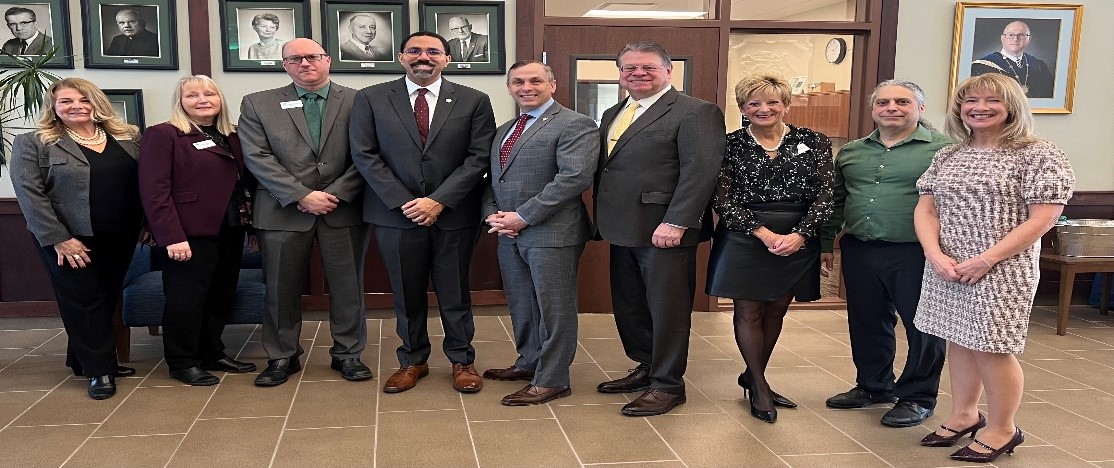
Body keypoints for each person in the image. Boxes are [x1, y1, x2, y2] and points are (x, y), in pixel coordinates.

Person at [914, 73, 1074, 463]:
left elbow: (1043, 218)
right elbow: (926, 209)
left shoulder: (1037, 153)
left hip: (1002, 268)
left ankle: (1003, 428)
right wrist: (934, 254)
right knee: (958, 338)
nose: (979, 108)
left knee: (991, 346)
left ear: (1011, 107)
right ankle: (964, 414)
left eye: (992, 101)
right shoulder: (949, 154)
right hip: (948, 265)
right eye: (970, 101)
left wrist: (987, 259)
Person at [350, 31, 495, 395]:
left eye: (433, 51)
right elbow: (365, 154)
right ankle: (412, 360)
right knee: (406, 292)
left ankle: (462, 359)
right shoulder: (371, 98)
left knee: (455, 291)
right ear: (401, 57)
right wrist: (405, 201)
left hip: (454, 214)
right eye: (414, 51)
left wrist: (439, 200)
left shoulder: (474, 100)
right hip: (395, 214)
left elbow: (478, 157)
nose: (423, 57)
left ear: (447, 59)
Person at [594, 41, 725, 417]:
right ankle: (647, 366)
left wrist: (677, 221)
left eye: (648, 67)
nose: (638, 73)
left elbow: (701, 171)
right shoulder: (614, 111)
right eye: (629, 68)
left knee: (667, 309)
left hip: (665, 230)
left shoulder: (695, 111)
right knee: (631, 304)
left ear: (669, 71)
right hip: (621, 227)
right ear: (620, 75)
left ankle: (668, 385)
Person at [239, 38, 370, 387]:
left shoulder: (360, 101)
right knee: (279, 289)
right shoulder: (257, 103)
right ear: (284, 65)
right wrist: (301, 195)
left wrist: (335, 194)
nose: (305, 63)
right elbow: (257, 157)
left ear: (328, 60)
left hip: (343, 208)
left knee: (348, 286)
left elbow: (369, 154)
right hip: (281, 210)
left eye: (312, 56)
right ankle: (281, 355)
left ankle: (348, 354)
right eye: (295, 59)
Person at [819, 80, 950, 427]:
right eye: (883, 102)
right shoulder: (852, 152)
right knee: (867, 321)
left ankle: (918, 396)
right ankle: (874, 386)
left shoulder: (945, 151)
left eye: (902, 102)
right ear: (873, 109)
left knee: (924, 325)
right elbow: (837, 200)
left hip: (917, 252)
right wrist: (826, 243)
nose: (892, 107)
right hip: (861, 248)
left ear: (920, 108)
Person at [706, 73, 833, 423]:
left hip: (798, 235)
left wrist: (801, 234)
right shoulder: (728, 144)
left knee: (776, 309)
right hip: (744, 235)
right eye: (754, 103)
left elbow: (826, 194)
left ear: (786, 105)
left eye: (772, 102)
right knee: (749, 311)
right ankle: (760, 388)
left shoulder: (814, 141)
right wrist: (762, 233)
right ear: (742, 108)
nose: (764, 109)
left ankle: (753, 375)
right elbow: (721, 199)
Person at [9, 78, 143, 400]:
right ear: (53, 107)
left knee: (105, 297)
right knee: (83, 299)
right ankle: (100, 371)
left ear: (97, 103)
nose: (76, 106)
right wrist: (59, 238)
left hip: (121, 234)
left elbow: (145, 184)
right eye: (66, 101)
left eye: (83, 99)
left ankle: (85, 360)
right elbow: (30, 194)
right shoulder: (35, 143)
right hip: (69, 238)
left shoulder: (128, 137)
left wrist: (147, 224)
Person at [481, 60, 598, 406]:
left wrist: (523, 217)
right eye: (518, 82)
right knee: (522, 302)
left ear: (552, 85)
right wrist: (492, 215)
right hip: (509, 232)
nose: (526, 87)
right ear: (509, 87)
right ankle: (529, 361)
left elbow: (573, 178)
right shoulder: (505, 129)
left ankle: (552, 379)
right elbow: (494, 180)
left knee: (554, 308)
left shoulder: (575, 124)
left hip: (553, 232)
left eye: (535, 81)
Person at [139, 75, 258, 386]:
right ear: (180, 101)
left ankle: (211, 352)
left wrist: (252, 228)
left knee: (221, 295)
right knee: (186, 298)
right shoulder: (163, 134)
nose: (202, 100)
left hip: (231, 228)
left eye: (209, 94)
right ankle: (182, 361)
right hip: (187, 232)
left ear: (220, 100)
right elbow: (154, 191)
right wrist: (171, 236)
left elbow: (244, 183)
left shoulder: (232, 136)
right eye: (192, 95)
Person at [970, 21, 1054, 98]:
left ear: (1029, 40)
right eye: (1010, 35)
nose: (1015, 39)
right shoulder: (981, 66)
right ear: (1002, 38)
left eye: (1021, 35)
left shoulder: (1039, 66)